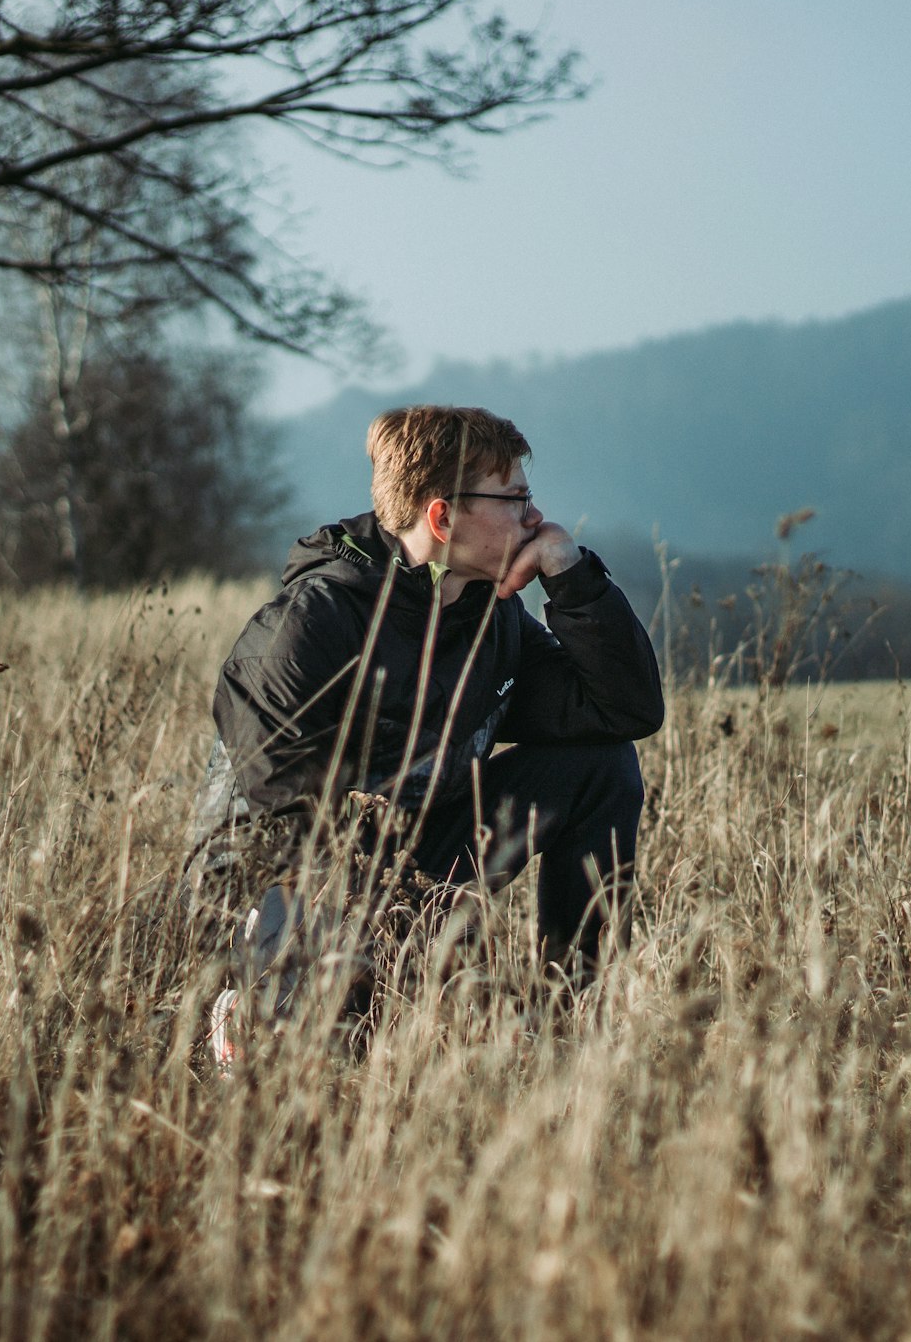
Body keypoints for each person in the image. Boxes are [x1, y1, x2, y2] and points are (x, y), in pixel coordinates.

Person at [188, 405, 664, 1063]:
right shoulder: (313, 622)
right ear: (442, 517)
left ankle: (572, 1028)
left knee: (603, 766)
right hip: (277, 877)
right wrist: (402, 930)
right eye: (516, 498)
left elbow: (624, 712)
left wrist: (574, 577)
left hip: (410, 859)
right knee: (331, 1060)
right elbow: (283, 808)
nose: (535, 517)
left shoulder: (489, 622)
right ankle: (249, 1015)